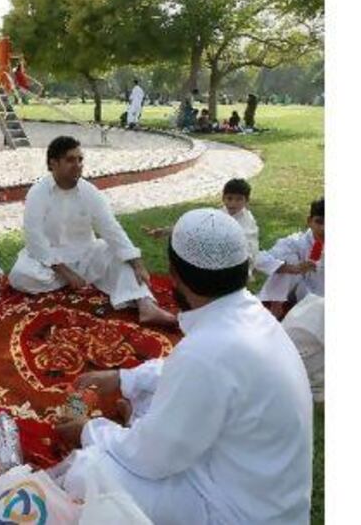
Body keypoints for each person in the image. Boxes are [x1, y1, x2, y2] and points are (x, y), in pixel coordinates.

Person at [54, 208, 313, 524]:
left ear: (174, 275)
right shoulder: (250, 314)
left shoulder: (207, 351)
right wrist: (123, 378)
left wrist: (89, 430)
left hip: (236, 513)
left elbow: (151, 458)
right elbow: (182, 372)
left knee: (87, 470)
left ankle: (134, 426)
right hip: (259, 491)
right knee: (149, 395)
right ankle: (141, 418)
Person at [8, 136, 177, 326]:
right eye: (70, 160)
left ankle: (146, 305)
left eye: (80, 159)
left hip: (86, 255)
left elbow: (110, 228)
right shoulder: (37, 193)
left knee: (117, 254)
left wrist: (137, 263)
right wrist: (66, 272)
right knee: (19, 275)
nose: (78, 165)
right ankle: (84, 281)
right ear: (53, 163)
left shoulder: (89, 191)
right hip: (51, 263)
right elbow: (35, 239)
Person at [256, 198, 324, 319]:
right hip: (298, 300)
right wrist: (293, 268)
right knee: (288, 259)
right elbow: (258, 258)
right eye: (319, 222)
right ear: (309, 221)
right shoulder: (297, 242)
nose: (324, 229)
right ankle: (275, 309)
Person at [221, 178, 259, 267]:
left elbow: (250, 242)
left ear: (246, 201)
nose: (233, 203)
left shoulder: (248, 220)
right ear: (223, 198)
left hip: (239, 259)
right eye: (229, 198)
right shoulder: (218, 215)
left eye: (239, 199)